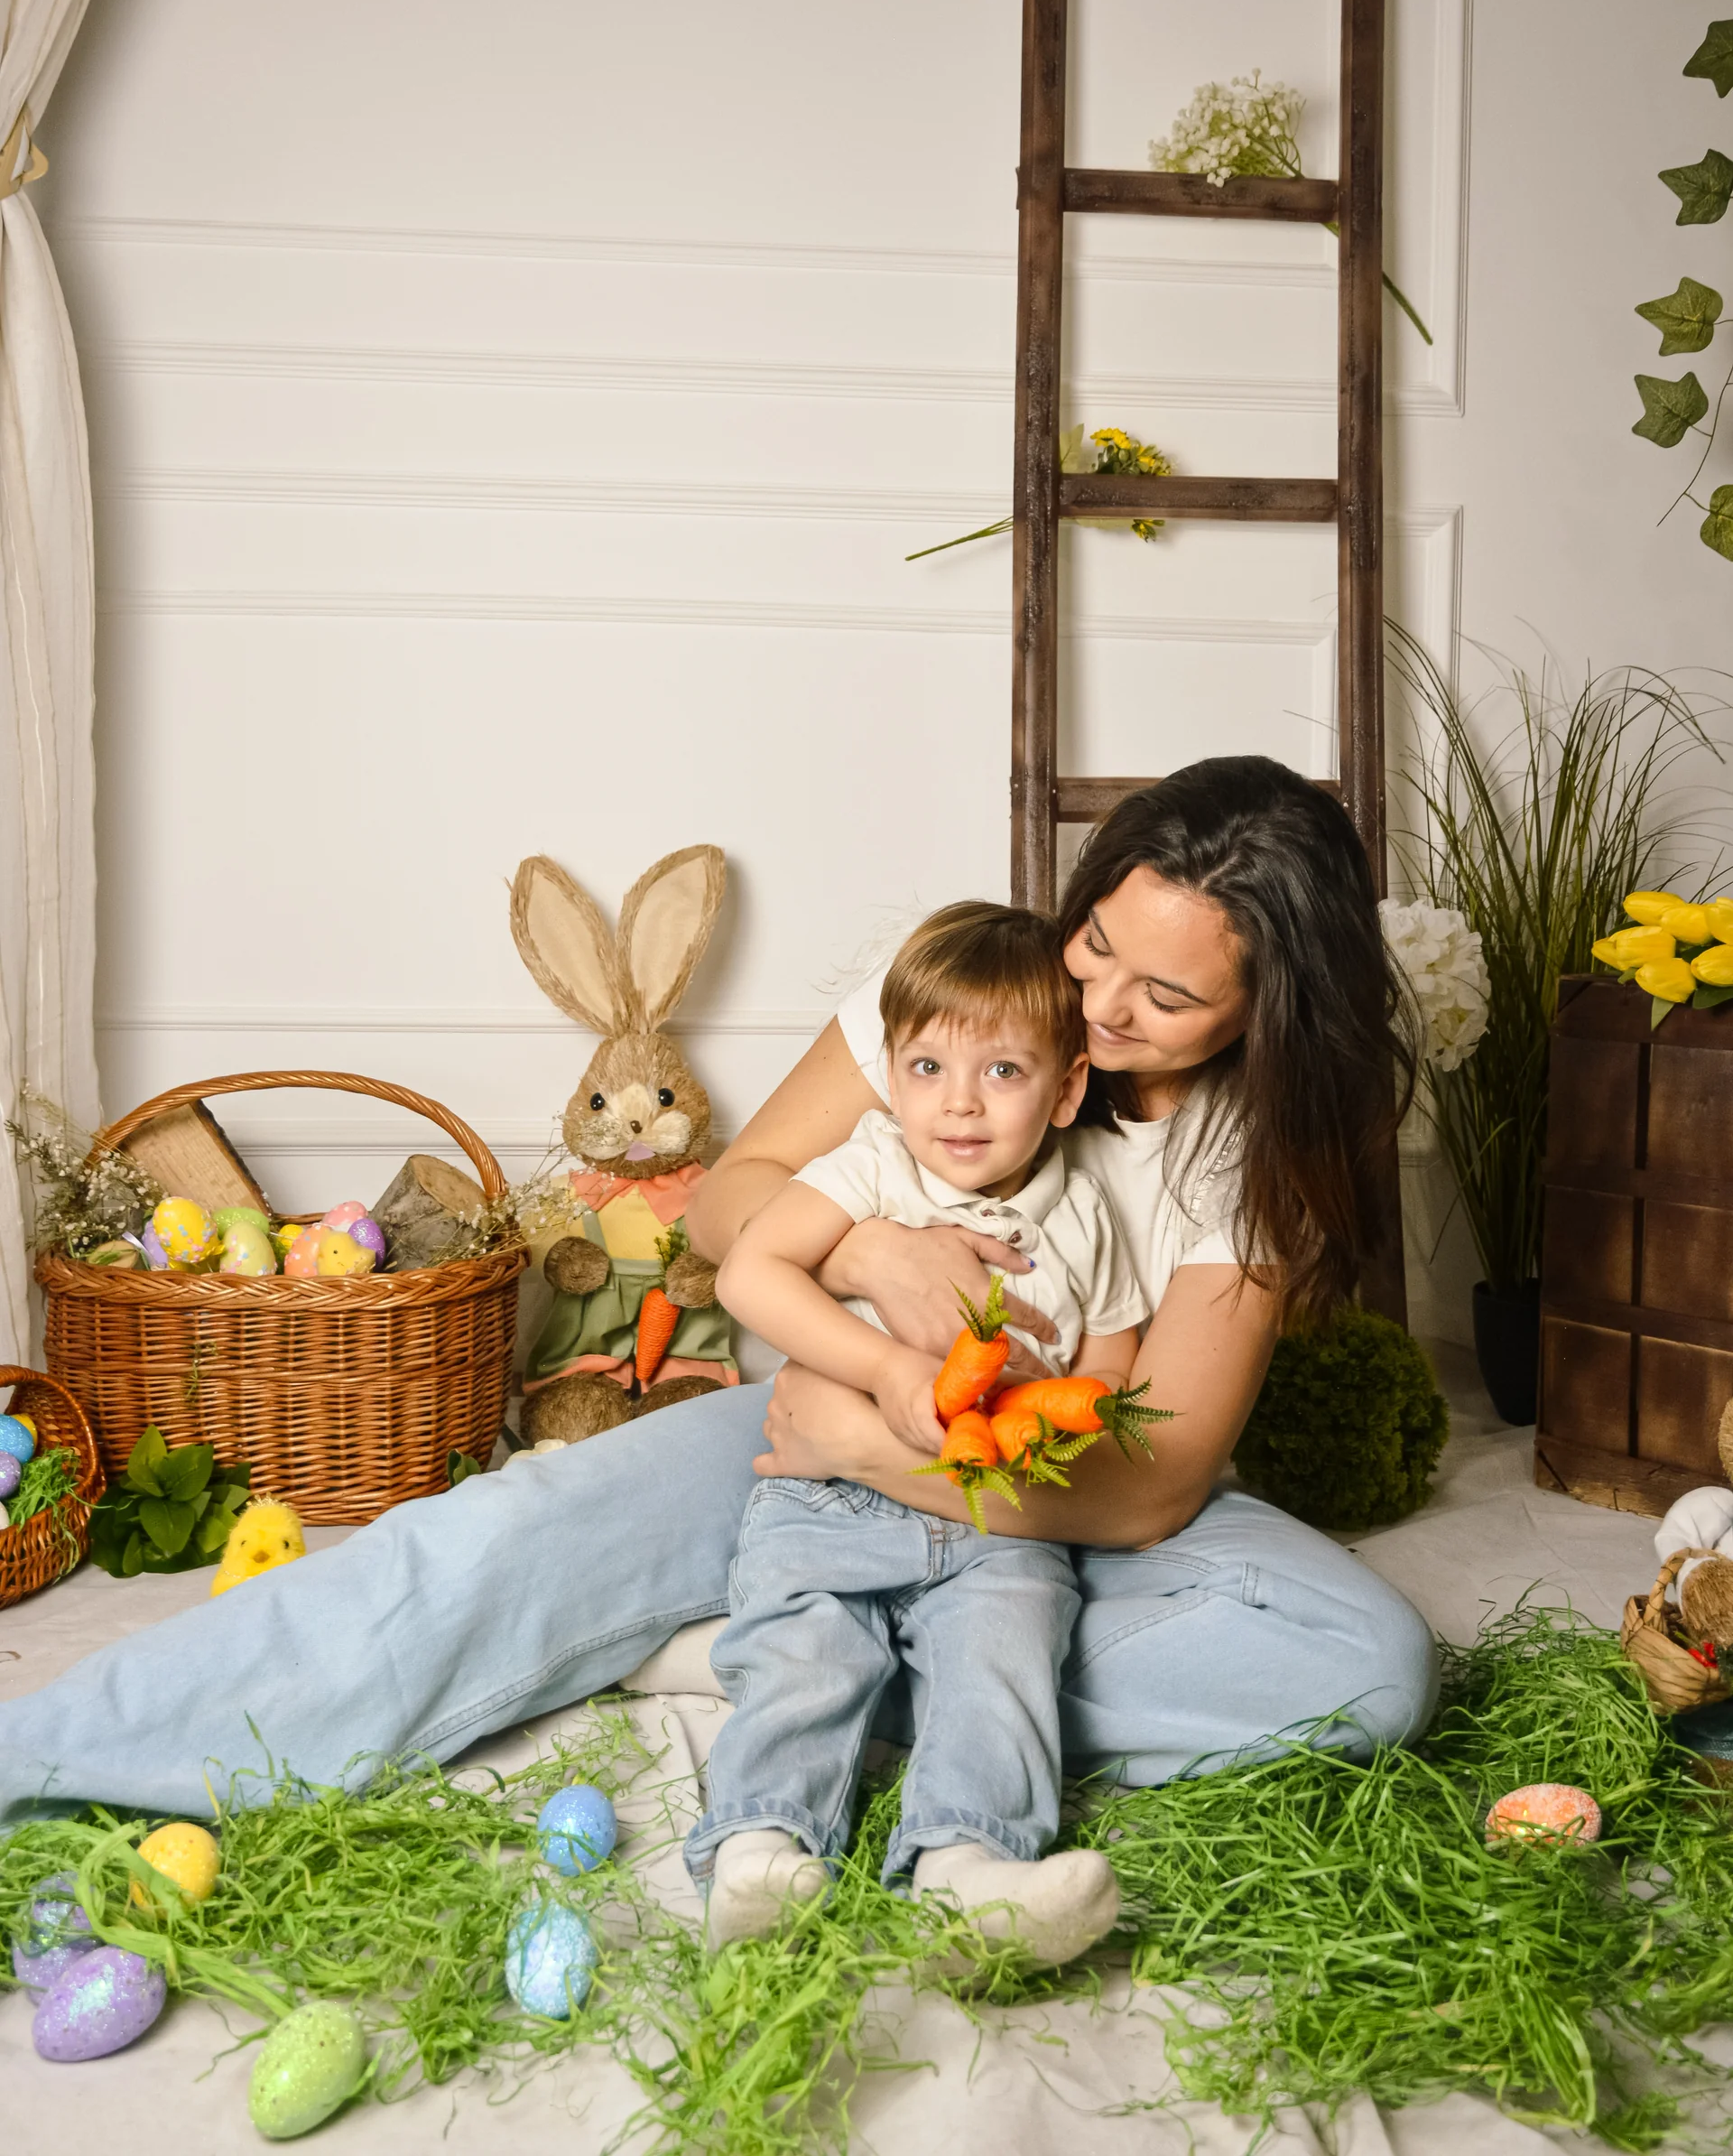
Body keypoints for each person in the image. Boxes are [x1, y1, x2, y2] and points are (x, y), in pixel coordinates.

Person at [0, 758, 1437, 1835]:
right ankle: (44, 1755)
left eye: (1166, 1000)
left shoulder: (1257, 1150)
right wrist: (869, 1263)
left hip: (1039, 1501)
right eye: (1099, 944)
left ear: (1268, 1012)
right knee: (486, 1552)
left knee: (1368, 1668)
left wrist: (875, 1441)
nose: (1104, 1007)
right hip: (796, 1440)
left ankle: (792, 1648)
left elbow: (1151, 1486)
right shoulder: (967, 994)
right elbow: (742, 1197)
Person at [688, 900, 1145, 1956]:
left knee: (1005, 1666)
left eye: (1003, 1072)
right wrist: (885, 1365)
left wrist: (1066, 1420)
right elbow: (751, 1270)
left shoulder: (1084, 1210)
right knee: (802, 1655)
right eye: (927, 1067)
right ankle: (761, 1856)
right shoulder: (871, 1169)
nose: (960, 1105)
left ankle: (970, 1869)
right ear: (889, 1072)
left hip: (994, 1518)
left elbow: (1113, 1352)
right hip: (830, 1487)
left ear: (1068, 1086)